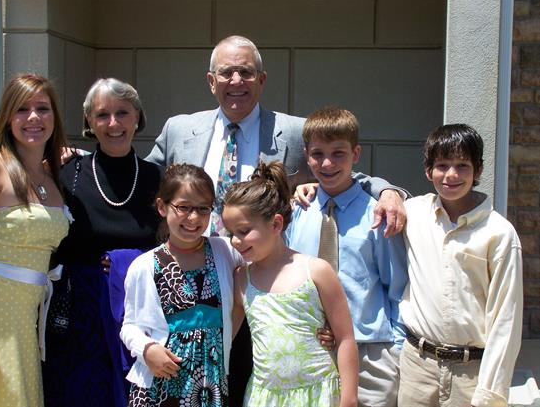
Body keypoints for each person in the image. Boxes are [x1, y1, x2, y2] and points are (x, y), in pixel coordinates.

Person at [145, 35, 407, 402]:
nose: (236, 81)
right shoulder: (179, 129)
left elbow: (338, 166)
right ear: (211, 81)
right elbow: (141, 182)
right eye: (226, 73)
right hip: (202, 286)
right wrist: (78, 162)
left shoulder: (296, 132)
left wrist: (387, 190)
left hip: (271, 284)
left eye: (246, 72)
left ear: (262, 79)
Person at [42, 78, 164, 407]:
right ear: (89, 122)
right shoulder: (66, 174)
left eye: (122, 113)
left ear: (137, 117)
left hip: (139, 312)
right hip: (80, 315)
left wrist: (128, 260)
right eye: (102, 115)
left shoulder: (158, 178)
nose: (113, 124)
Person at [285, 107, 407, 407]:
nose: (327, 163)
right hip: (308, 349)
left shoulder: (376, 215)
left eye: (338, 153)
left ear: (356, 154)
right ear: (306, 155)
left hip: (369, 354)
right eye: (318, 154)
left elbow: (398, 287)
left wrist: (397, 350)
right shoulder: (297, 212)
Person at [398, 124, 523, 407]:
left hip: (471, 374)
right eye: (442, 165)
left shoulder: (498, 233)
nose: (451, 175)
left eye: (462, 165)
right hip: (417, 369)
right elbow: (363, 190)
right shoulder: (414, 214)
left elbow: (506, 318)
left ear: (478, 170)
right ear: (428, 171)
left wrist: (489, 393)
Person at [222, 160, 359, 407]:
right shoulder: (241, 279)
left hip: (319, 395)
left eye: (243, 231)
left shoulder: (316, 271)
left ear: (276, 224)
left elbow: (345, 338)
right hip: (265, 399)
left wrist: (349, 399)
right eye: (231, 232)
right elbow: (224, 339)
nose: (234, 241)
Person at [121, 163, 244, 406]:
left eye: (203, 208)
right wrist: (147, 349)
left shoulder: (227, 252)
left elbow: (263, 271)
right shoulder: (144, 266)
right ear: (162, 207)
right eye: (183, 207)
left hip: (210, 385)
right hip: (160, 386)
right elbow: (129, 325)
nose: (193, 217)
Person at [0, 74, 70, 407]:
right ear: (7, 117)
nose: (34, 117)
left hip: (28, 319)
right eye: (22, 109)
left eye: (43, 108)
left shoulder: (53, 178)